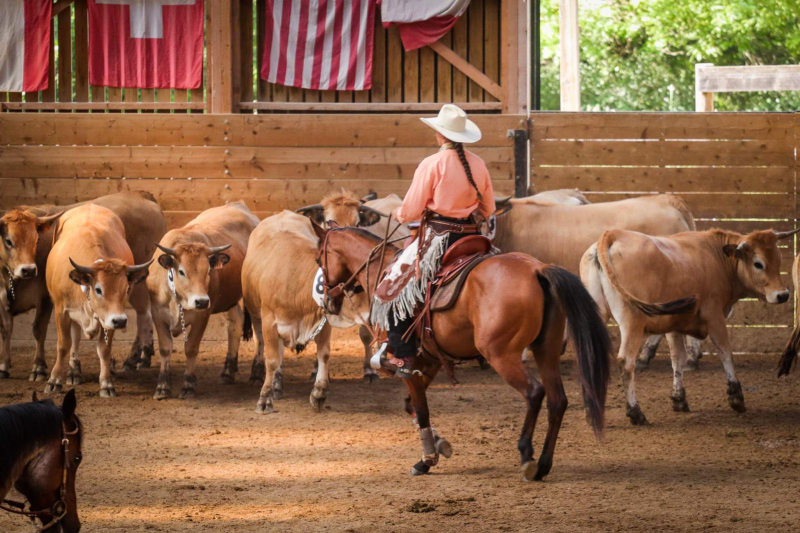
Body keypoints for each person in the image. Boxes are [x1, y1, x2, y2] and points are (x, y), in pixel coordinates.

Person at [370, 104, 496, 378]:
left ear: (440, 135)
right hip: (472, 238)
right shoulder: (479, 163)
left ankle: (401, 356)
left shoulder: (432, 164)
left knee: (393, 286)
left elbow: (411, 211)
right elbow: (488, 210)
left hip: (438, 238)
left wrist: (398, 212)